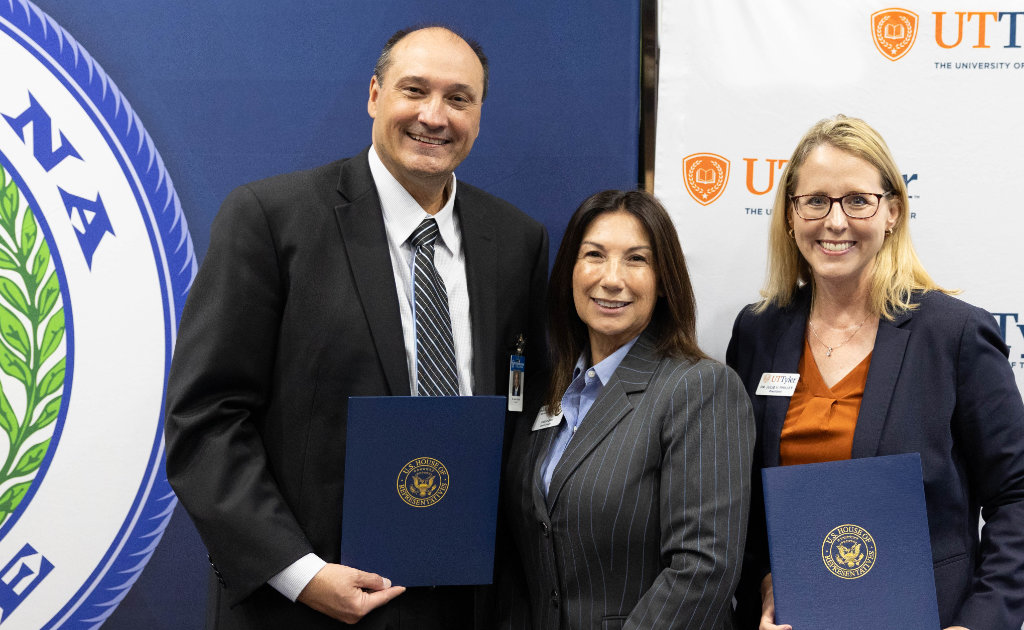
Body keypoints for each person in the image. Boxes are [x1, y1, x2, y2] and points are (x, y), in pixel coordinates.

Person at [165, 25, 548, 629]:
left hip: (466, 601)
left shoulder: (517, 242)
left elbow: (524, 414)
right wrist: (300, 573)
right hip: (306, 607)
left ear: (478, 114)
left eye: (458, 98)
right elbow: (206, 420)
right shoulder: (271, 220)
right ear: (374, 95)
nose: (434, 116)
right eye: (414, 90)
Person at [725, 116, 1024, 630]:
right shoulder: (758, 331)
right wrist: (766, 582)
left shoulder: (953, 334)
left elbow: (1020, 495)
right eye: (815, 201)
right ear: (790, 215)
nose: (835, 222)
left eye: (858, 200)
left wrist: (977, 623)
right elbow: (737, 495)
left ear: (892, 212)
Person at [500, 190, 755, 629]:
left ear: (664, 281)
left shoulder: (701, 388)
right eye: (594, 255)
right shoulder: (544, 391)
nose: (612, 278)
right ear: (570, 272)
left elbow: (703, 568)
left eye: (636, 259)